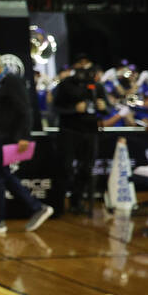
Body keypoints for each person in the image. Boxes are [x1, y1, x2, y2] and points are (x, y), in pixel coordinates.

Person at [0, 52, 54, 234]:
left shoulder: (12, 81)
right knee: (1, 175)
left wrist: (24, 136)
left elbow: (25, 109)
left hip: (6, 137)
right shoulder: (0, 83)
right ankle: (36, 207)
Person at [54, 59, 102, 214]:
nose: (84, 67)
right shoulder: (65, 84)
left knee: (86, 169)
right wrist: (74, 109)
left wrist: (104, 106)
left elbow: (106, 108)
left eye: (87, 63)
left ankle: (77, 201)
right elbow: (56, 108)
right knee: (65, 168)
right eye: (80, 64)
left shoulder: (96, 86)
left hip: (90, 132)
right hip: (69, 132)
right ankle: (58, 203)